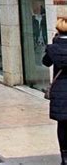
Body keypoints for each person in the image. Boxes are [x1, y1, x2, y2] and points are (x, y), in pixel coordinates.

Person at [42, 17, 67, 165]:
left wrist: (54, 43)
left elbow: (45, 62)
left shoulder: (53, 49)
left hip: (60, 91)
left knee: (63, 125)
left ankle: (64, 157)